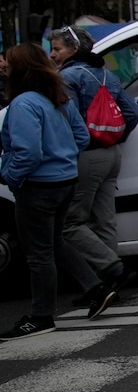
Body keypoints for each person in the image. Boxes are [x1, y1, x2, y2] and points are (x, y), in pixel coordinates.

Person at [1, 44, 107, 340]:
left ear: (21, 68)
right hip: (65, 180)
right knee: (54, 242)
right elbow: (82, 137)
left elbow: (28, 153)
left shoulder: (23, 104)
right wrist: (62, 155)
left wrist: (9, 174)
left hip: (38, 186)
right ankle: (97, 287)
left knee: (38, 255)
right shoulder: (58, 98)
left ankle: (41, 315)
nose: (3, 66)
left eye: (7, 61)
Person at [48, 26, 138, 297]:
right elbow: (131, 112)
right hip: (111, 155)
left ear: (73, 50)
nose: (52, 54)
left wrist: (74, 149)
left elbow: (69, 122)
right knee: (105, 220)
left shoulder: (67, 76)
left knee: (71, 223)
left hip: (86, 156)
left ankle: (113, 269)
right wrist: (113, 137)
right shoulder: (105, 74)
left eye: (57, 49)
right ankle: (111, 283)